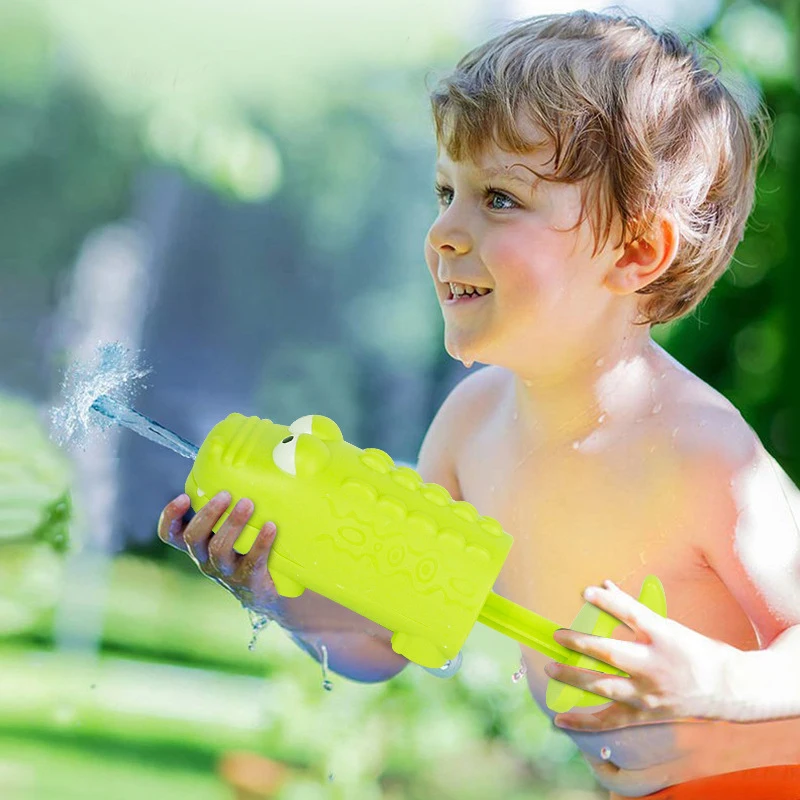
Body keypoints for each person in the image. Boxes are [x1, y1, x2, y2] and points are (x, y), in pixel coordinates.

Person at [158, 10, 800, 798]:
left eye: (498, 198)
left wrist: (720, 684)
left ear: (638, 251)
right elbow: (383, 635)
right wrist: (275, 588)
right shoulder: (472, 424)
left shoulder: (703, 453)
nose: (443, 232)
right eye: (445, 190)